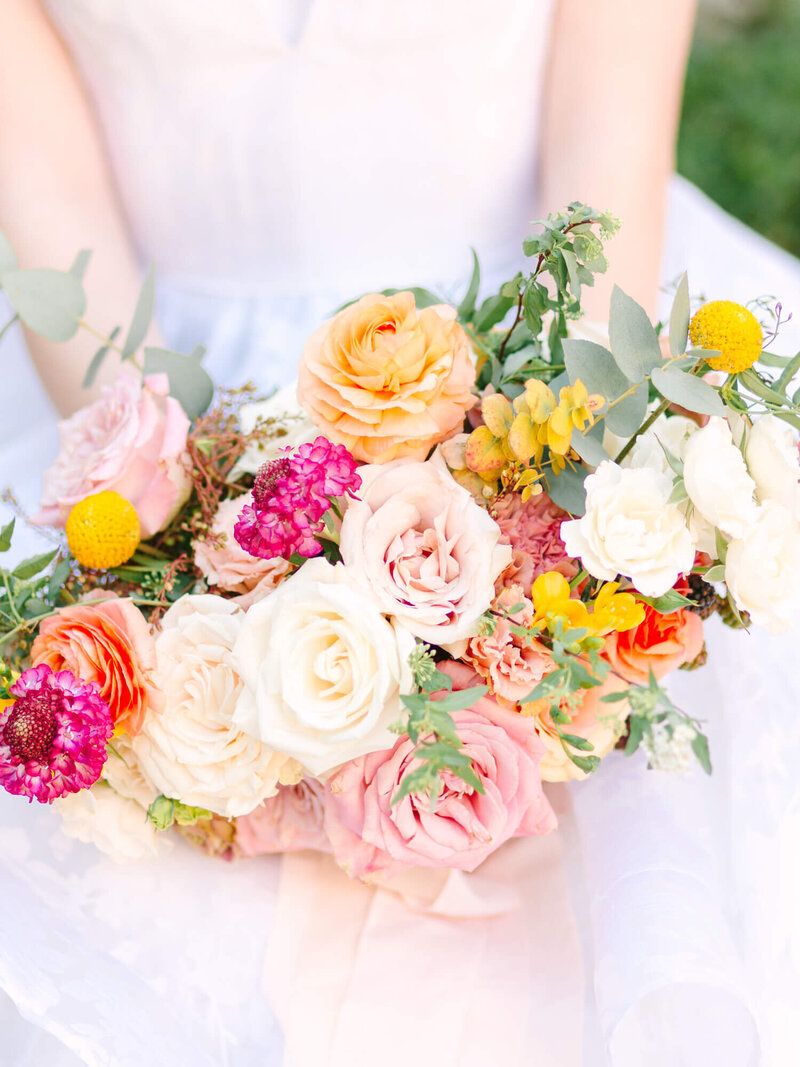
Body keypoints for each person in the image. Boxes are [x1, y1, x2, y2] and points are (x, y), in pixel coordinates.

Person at [0, 2, 797, 1064]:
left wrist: (524, 525)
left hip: (549, 346)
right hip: (127, 364)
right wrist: (181, 535)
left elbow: (606, 140)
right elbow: (47, 184)